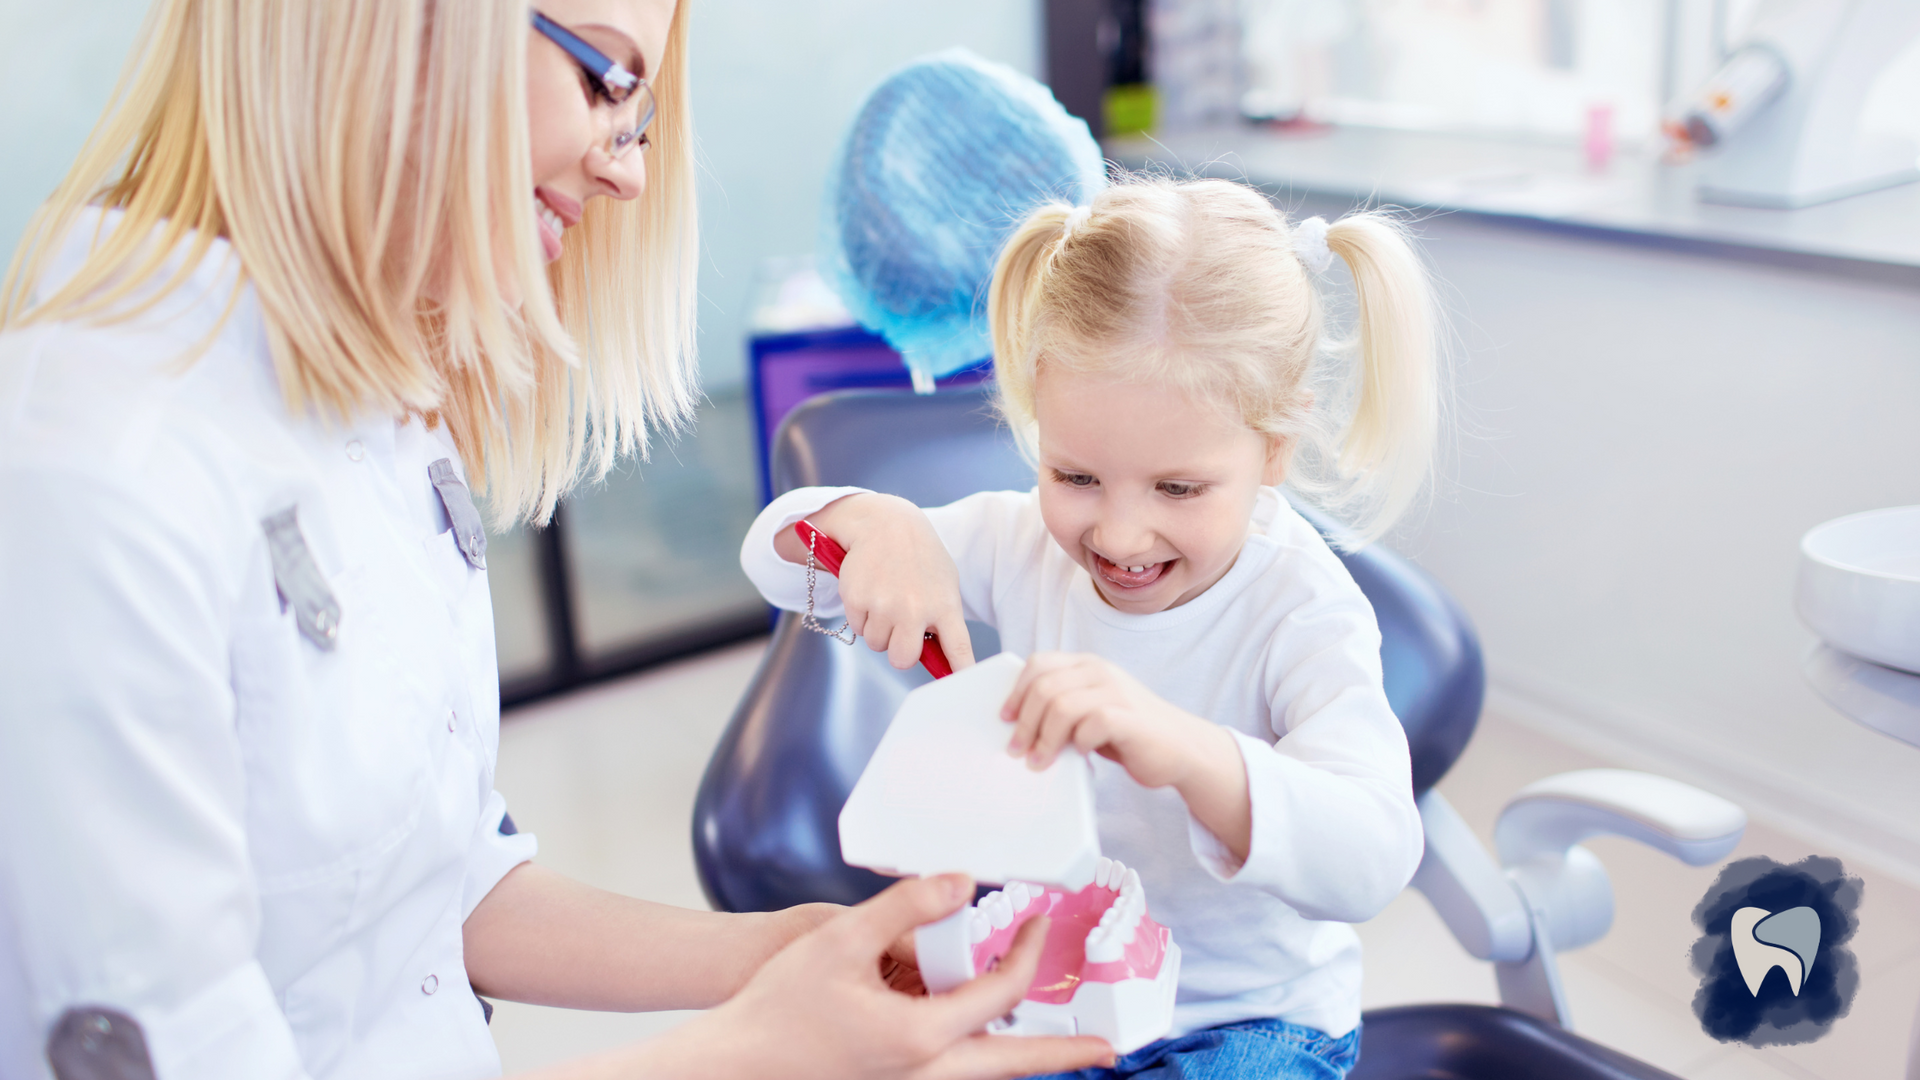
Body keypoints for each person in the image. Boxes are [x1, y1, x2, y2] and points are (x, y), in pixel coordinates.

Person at [0, 2, 1115, 1078]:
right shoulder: (92, 467)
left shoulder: (368, 408)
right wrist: (751, 1055)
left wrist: (780, 955)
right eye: (604, 79)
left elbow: (435, 889)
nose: (625, 169)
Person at [740, 176, 1441, 1079]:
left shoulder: (1302, 608)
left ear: (1274, 447)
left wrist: (1186, 750)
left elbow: (1374, 857)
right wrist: (868, 523)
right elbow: (775, 561)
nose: (1116, 534)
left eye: (1178, 489)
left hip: (1250, 1027)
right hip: (1057, 995)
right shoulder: (1022, 541)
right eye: (1076, 477)